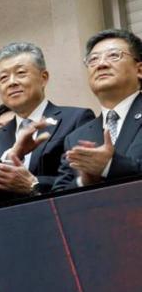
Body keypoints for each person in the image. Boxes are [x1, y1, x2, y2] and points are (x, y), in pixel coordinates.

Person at [0, 42, 95, 203]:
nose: (11, 82)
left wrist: (33, 184)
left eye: (20, 73)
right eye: (4, 77)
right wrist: (11, 157)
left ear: (43, 78)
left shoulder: (76, 118)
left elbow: (82, 179)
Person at [55, 28, 142, 190]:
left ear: (139, 70)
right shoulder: (76, 138)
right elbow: (59, 194)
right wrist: (84, 182)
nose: (101, 64)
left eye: (113, 55)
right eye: (93, 59)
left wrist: (109, 166)